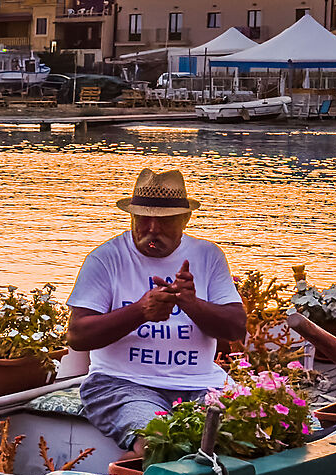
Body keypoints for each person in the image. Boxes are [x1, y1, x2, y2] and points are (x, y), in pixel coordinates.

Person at [67, 167, 247, 453]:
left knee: (251, 434)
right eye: (144, 218)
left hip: (201, 384)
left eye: (164, 220)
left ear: (185, 219)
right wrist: (140, 311)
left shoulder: (207, 255)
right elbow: (77, 335)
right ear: (132, 216)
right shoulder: (106, 258)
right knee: (160, 442)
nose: (152, 229)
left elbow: (236, 328)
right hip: (120, 384)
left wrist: (192, 304)